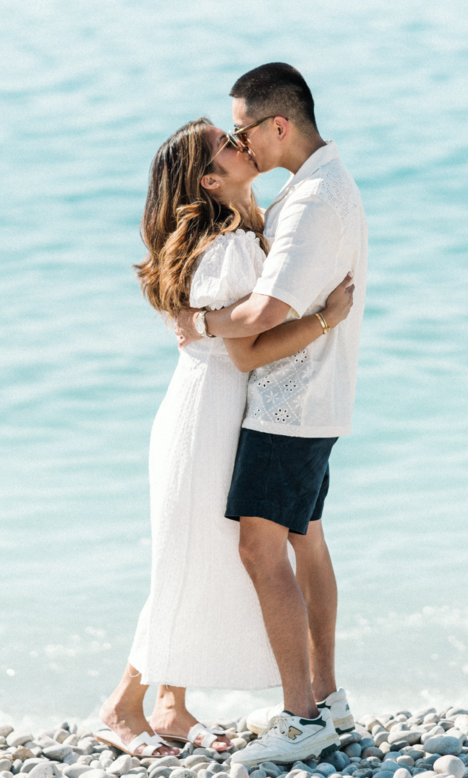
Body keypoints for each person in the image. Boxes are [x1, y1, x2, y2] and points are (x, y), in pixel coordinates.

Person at [97, 116, 356, 760]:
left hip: (212, 413)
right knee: (184, 562)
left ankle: (170, 705)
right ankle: (120, 707)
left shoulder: (246, 229)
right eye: (224, 143)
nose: (240, 143)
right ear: (210, 180)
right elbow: (247, 353)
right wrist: (326, 319)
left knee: (196, 557)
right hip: (206, 418)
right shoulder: (232, 245)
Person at [173, 63, 369, 767]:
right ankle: (328, 700)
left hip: (291, 404)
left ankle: (302, 715)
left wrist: (196, 320)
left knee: (262, 548)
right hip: (318, 399)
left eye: (241, 130)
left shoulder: (314, 200)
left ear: (277, 126)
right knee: (305, 540)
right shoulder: (318, 189)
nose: (238, 142)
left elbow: (259, 322)